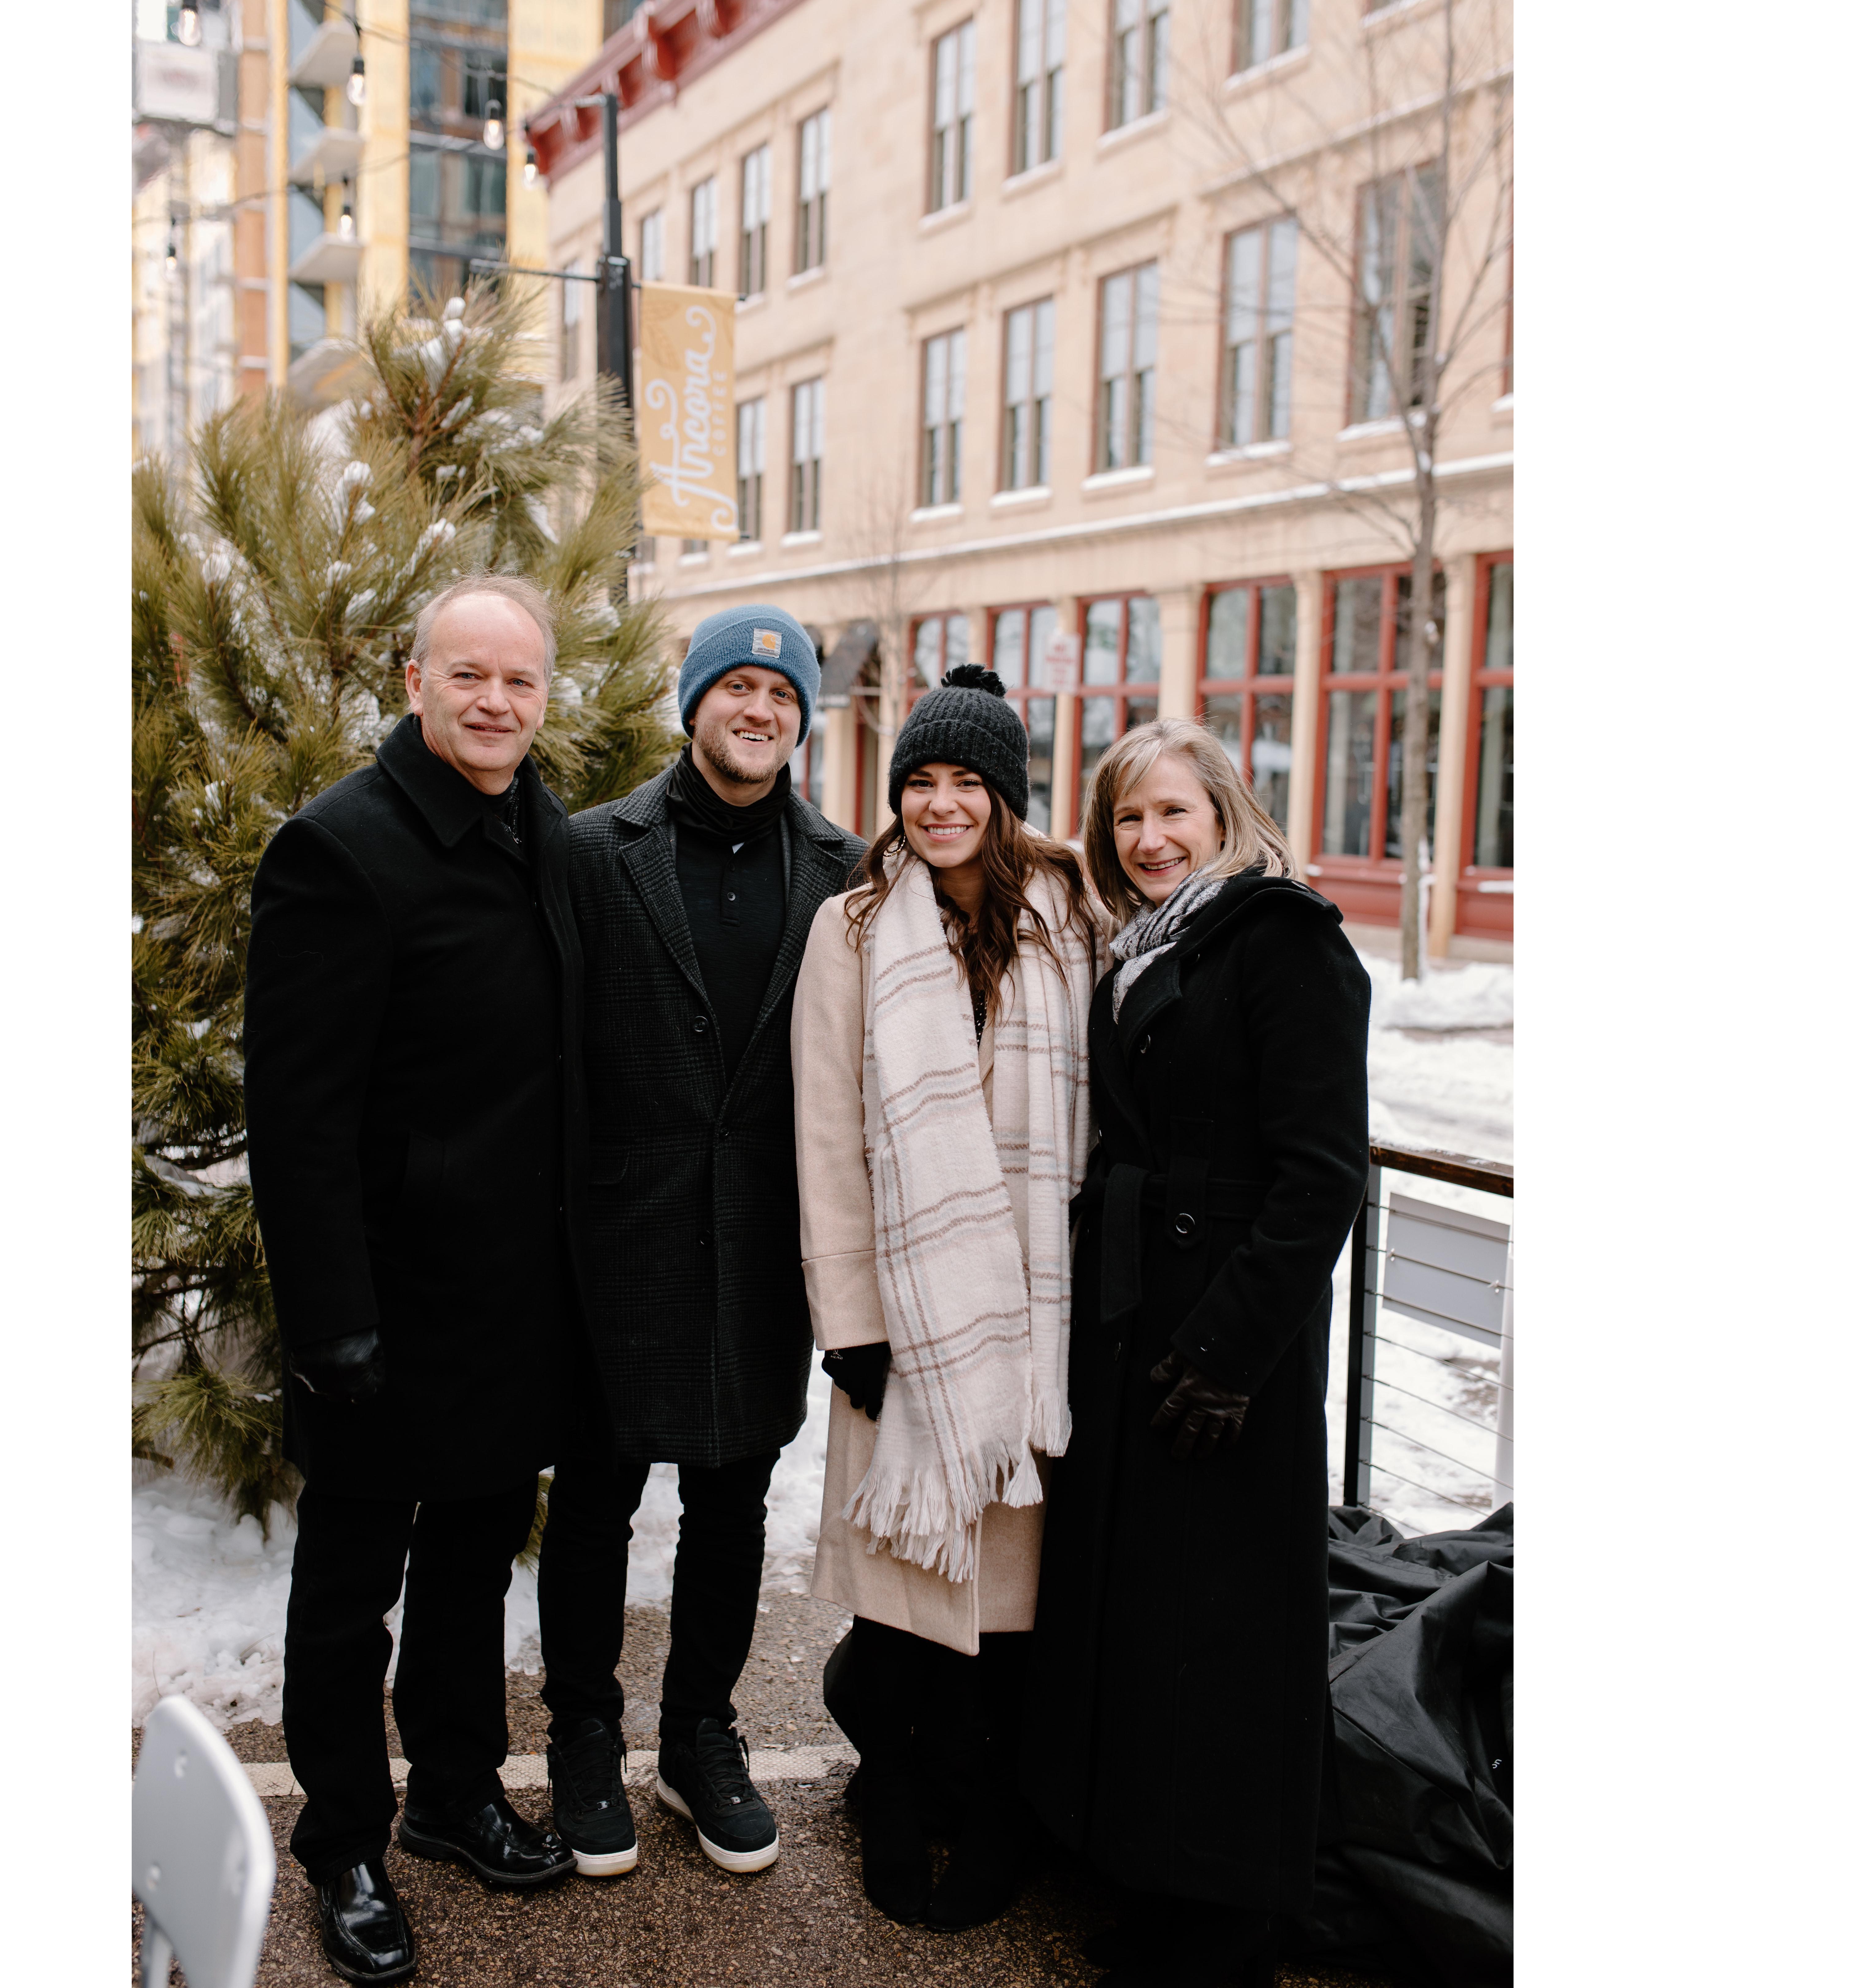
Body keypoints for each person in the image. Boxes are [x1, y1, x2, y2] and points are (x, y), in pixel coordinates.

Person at [243, 573, 589, 1985]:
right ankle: (345, 1845)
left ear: (543, 696)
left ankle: (453, 1792)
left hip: (515, 1303)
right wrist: (332, 1321)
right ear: (414, 681)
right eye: (469, 676)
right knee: (350, 1588)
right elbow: (299, 1115)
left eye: (518, 680)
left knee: (466, 1571)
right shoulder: (341, 849)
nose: (495, 701)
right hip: (382, 1312)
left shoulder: (545, 836)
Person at [1023, 717, 1371, 1988]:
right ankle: (1156, 1874)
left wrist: (1231, 1348)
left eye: (1173, 812)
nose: (1150, 837)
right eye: (1127, 818)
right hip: (1133, 1330)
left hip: (1230, 1352)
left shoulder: (1287, 943)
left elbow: (1324, 1173)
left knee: (1227, 1635)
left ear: (1224, 813)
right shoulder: (1140, 948)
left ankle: (1230, 1920)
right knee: (1148, 1618)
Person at [538, 603, 865, 1881]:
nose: (761, 711)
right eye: (736, 688)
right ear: (694, 705)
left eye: (783, 698)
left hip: (760, 1249)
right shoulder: (593, 851)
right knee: (598, 1507)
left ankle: (696, 1736)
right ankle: (581, 1735)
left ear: (801, 722)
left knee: (732, 1508)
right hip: (615, 1242)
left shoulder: (844, 870)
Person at [789, 662, 1101, 1930]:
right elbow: (824, 1138)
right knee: (908, 1597)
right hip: (907, 1322)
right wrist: (852, 1324)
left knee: (1013, 1613)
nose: (939, 803)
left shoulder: (1066, 917)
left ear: (1008, 798)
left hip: (1032, 1315)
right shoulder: (853, 928)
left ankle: (993, 1808)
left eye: (968, 780)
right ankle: (897, 1792)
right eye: (919, 780)